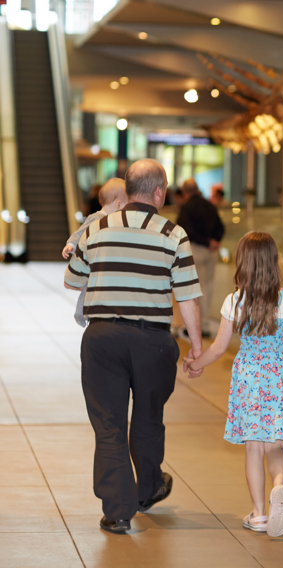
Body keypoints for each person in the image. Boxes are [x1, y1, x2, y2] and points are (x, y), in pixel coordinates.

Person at [64, 159, 204, 534]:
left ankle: (118, 511)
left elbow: (72, 279)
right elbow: (188, 297)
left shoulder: (98, 228)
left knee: (108, 423)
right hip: (152, 341)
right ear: (159, 192)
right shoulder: (173, 234)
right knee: (147, 417)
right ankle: (147, 489)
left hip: (102, 338)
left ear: (127, 191)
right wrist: (197, 347)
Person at [187, 231, 283, 537]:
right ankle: (279, 486)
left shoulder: (235, 301)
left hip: (249, 380)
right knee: (276, 445)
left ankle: (260, 514)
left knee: (254, 449)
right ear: (274, 262)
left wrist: (194, 364)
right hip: (279, 377)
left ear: (243, 263)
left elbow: (219, 348)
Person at [62, 179, 127, 327]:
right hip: (93, 264)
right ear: (118, 204)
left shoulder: (114, 221)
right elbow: (79, 233)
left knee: (90, 288)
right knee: (88, 289)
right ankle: (80, 313)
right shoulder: (96, 218)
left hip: (99, 262)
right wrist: (71, 245)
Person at [177, 178, 225, 338]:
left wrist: (205, 241)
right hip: (212, 251)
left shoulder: (186, 207)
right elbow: (221, 226)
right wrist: (214, 241)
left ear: (185, 192)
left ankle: (196, 326)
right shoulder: (209, 205)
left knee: (196, 288)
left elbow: (185, 230)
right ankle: (205, 324)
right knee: (209, 287)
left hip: (196, 249)